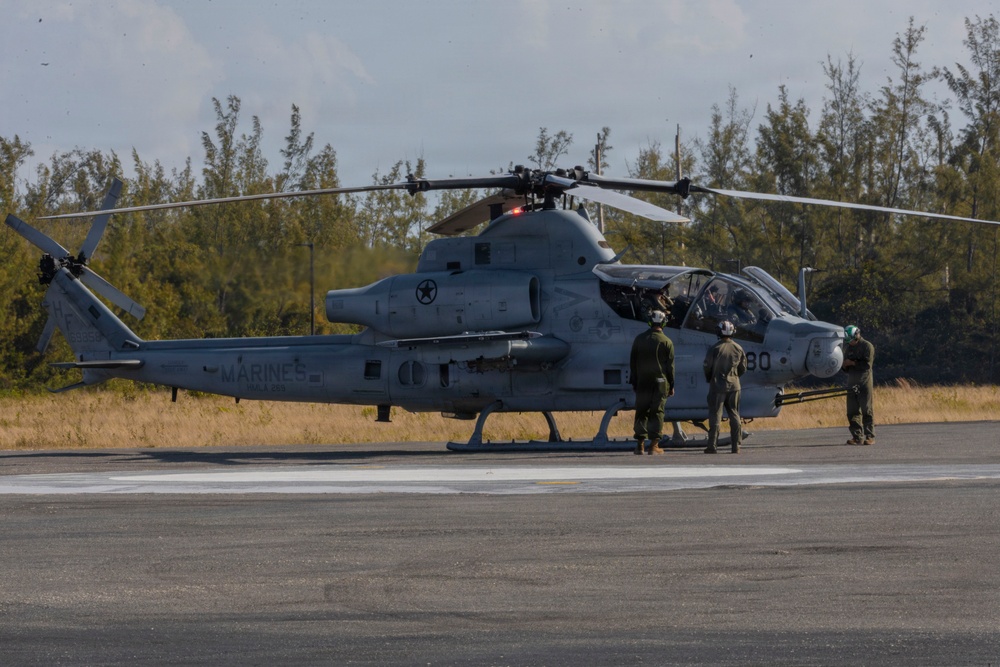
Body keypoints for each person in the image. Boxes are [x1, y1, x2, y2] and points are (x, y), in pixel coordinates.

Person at [629, 310, 675, 455]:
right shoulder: (667, 342)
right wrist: (671, 386)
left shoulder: (639, 339)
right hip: (660, 383)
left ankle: (639, 445)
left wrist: (635, 383)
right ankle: (654, 446)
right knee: (657, 412)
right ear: (663, 323)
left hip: (643, 381)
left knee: (641, 411)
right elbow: (670, 367)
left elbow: (633, 364)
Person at [703, 320, 748, 454]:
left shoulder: (715, 348)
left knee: (715, 414)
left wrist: (710, 378)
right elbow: (743, 368)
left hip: (717, 386)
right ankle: (736, 446)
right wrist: (734, 377)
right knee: (734, 413)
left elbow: (707, 367)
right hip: (734, 386)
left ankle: (712, 446)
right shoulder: (738, 348)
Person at [842, 324, 875, 445]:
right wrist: (845, 365)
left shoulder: (867, 346)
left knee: (867, 409)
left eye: (851, 340)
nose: (850, 343)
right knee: (852, 411)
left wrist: (852, 363)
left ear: (857, 335)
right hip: (852, 380)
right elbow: (845, 368)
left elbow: (867, 365)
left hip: (864, 381)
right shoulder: (847, 348)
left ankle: (869, 436)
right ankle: (856, 436)